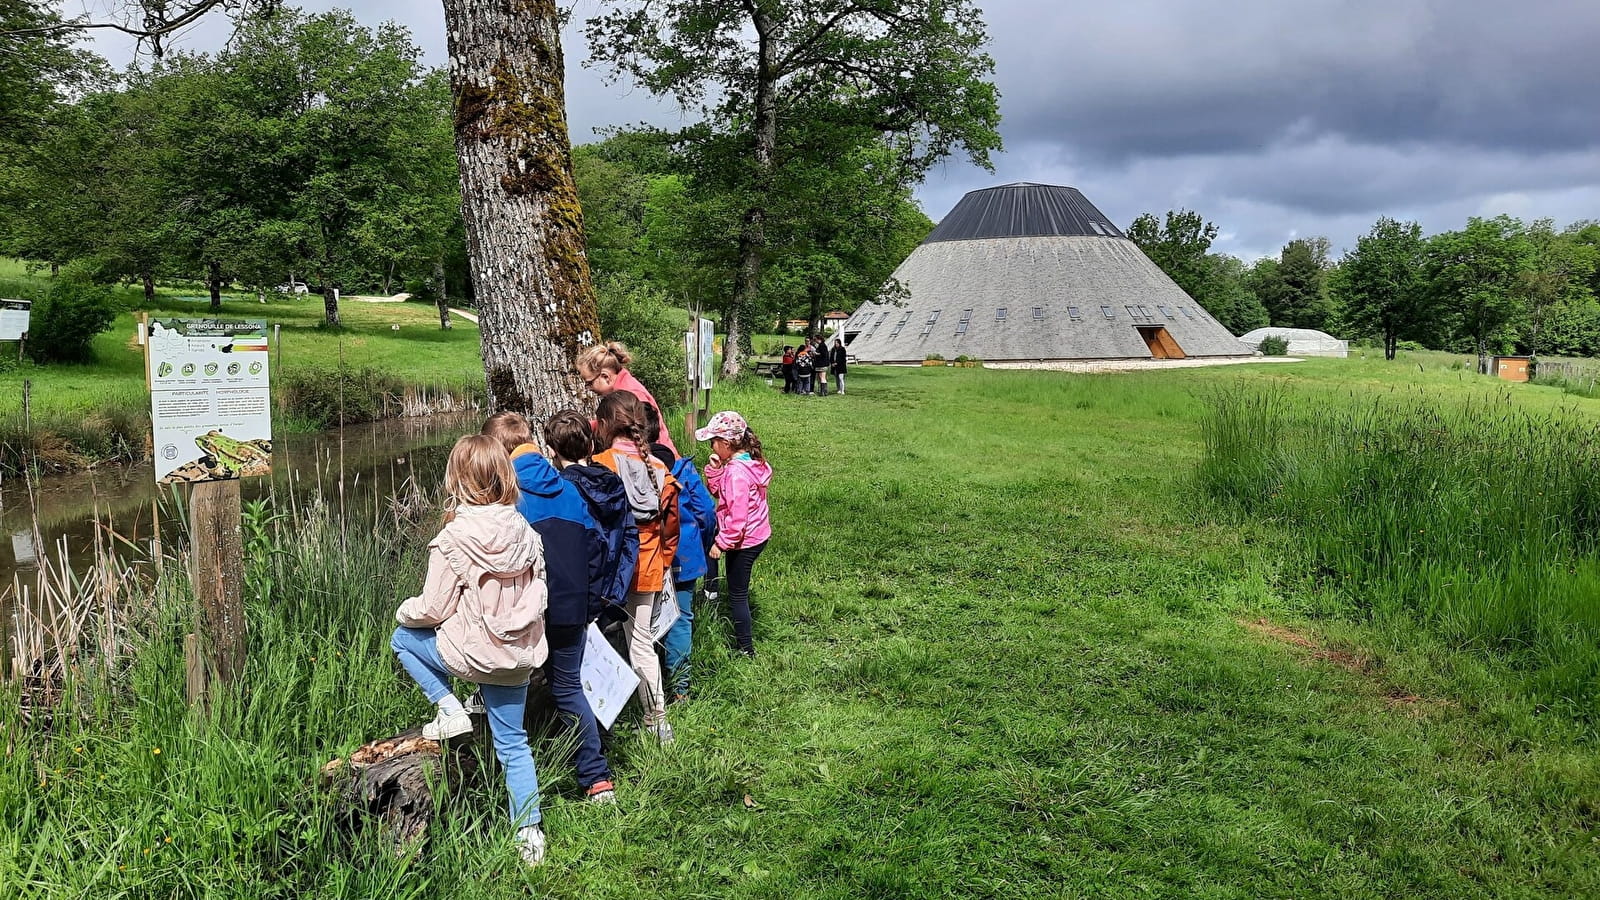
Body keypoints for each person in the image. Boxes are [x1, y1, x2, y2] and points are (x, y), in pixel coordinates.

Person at [390, 434, 550, 865]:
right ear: (504, 475)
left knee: (403, 640)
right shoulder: (525, 530)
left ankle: (449, 708)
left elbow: (432, 608)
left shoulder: (454, 538)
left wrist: (403, 610)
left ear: (456, 478)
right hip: (516, 657)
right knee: (514, 744)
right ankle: (530, 834)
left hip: (475, 655)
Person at [482, 411, 617, 804]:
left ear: (499, 453)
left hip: (525, 610)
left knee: (507, 688)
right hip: (572, 606)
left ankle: (506, 772)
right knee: (569, 688)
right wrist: (590, 604)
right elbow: (595, 551)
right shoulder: (570, 490)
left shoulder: (508, 498)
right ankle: (597, 779)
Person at [592, 391, 681, 742]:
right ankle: (656, 718)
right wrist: (662, 562)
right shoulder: (660, 469)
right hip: (647, 568)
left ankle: (601, 716)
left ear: (604, 424)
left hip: (609, 570)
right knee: (641, 644)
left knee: (597, 640)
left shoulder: (600, 465)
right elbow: (670, 527)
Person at [641, 403, 717, 701]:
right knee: (682, 618)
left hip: (647, 555)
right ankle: (681, 689)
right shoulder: (683, 469)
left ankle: (648, 686)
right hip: (684, 556)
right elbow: (706, 512)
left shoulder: (633, 468)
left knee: (642, 617)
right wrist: (704, 539)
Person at [695, 411, 772, 656]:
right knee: (737, 589)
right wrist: (715, 469)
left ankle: (745, 649)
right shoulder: (750, 463)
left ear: (726, 444)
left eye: (713, 441)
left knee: (737, 594)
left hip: (744, 540)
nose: (711, 446)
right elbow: (721, 494)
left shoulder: (736, 473)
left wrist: (722, 543)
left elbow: (737, 517)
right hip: (757, 534)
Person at [576, 341, 677, 454]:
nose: (588, 388)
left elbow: (648, 431)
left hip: (661, 459)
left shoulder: (632, 393)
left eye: (589, 383)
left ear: (605, 377)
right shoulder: (623, 387)